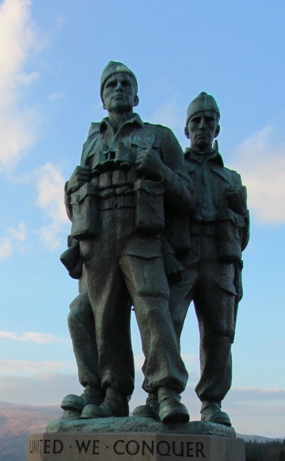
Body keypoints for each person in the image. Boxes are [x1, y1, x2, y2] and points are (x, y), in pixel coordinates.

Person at [61, 62, 195, 423]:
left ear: (136, 95)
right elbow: (74, 205)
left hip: (141, 232)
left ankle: (166, 391)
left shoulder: (160, 137)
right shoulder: (91, 143)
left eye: (126, 83)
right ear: (102, 98)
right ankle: (113, 394)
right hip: (99, 236)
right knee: (105, 317)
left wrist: (160, 171)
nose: (118, 88)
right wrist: (71, 186)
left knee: (154, 308)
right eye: (111, 85)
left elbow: (189, 197)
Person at [167, 92, 249, 426]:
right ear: (186, 130)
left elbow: (244, 234)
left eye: (209, 121)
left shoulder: (232, 178)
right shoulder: (175, 168)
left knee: (219, 332)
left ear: (217, 128)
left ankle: (212, 401)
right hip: (183, 256)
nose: (202, 126)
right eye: (196, 121)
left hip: (220, 259)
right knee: (166, 324)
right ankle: (164, 392)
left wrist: (240, 207)